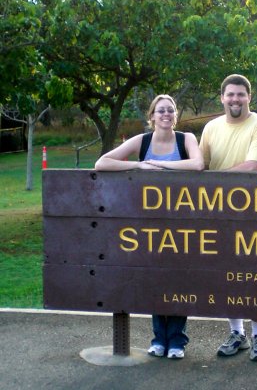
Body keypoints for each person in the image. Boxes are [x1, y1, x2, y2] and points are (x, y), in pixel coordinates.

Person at [95, 94, 204, 359]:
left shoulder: (185, 139)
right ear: (152, 116)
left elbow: (198, 164)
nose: (166, 114)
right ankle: (159, 339)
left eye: (170, 110)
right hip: (149, 223)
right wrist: (139, 164)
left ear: (175, 115)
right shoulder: (142, 141)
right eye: (160, 111)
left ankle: (177, 341)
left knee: (178, 279)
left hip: (181, 223)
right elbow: (102, 163)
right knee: (155, 279)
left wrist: (157, 165)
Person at [198, 74, 257, 362]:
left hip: (254, 212)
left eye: (240, 95)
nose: (235, 99)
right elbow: (201, 164)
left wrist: (216, 179)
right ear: (222, 97)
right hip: (218, 212)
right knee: (226, 275)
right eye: (230, 94)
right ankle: (237, 333)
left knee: (254, 276)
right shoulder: (211, 128)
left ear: (249, 97)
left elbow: (255, 165)